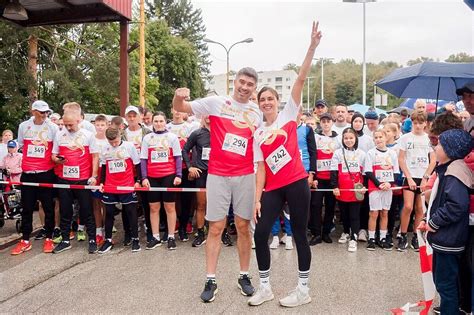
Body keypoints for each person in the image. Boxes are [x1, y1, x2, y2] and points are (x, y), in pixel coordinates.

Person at [173, 66, 263, 302]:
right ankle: (210, 279)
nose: (244, 87)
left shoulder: (256, 112)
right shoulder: (216, 103)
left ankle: (244, 275)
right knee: (215, 227)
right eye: (241, 82)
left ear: (254, 88)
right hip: (218, 175)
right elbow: (180, 108)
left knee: (243, 227)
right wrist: (179, 95)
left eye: (250, 84)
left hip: (245, 175)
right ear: (235, 82)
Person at [248, 22, 320, 308]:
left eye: (270, 98)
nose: (266, 102)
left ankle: (303, 289)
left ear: (278, 102)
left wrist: (311, 48)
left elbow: (301, 79)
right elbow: (261, 168)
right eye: (262, 99)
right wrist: (256, 199)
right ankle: (264, 286)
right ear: (258, 104)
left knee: (300, 233)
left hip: (297, 183)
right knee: (262, 231)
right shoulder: (257, 133)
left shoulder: (289, 114)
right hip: (273, 189)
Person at [418, 129, 473, 315]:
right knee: (444, 282)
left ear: (450, 149)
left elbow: (456, 205)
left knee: (445, 285)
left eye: (440, 144)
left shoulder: (454, 173)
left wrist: (433, 222)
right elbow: (438, 200)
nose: (436, 146)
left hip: (449, 239)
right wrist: (427, 219)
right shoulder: (448, 169)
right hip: (445, 237)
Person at [11, 100, 58, 255]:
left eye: (46, 112)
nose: (44, 115)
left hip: (46, 173)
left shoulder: (52, 127)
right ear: (33, 112)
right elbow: (21, 145)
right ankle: (25, 239)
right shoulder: (24, 126)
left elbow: (55, 149)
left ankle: (49, 238)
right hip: (28, 173)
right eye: (41, 112)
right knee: (27, 207)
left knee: (48, 206)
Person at [52, 112, 99, 254]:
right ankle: (65, 240)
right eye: (65, 124)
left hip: (83, 178)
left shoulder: (88, 134)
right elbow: (53, 155)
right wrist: (57, 159)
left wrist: (94, 175)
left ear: (78, 120)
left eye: (70, 124)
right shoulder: (60, 134)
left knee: (86, 210)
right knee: (65, 210)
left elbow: (95, 156)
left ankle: (92, 240)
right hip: (64, 178)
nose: (67, 127)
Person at [140, 111, 182, 250]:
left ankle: (170, 236)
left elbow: (177, 157)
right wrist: (144, 177)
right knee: (154, 207)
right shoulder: (147, 138)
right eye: (156, 121)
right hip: (152, 177)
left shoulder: (172, 137)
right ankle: (156, 236)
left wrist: (178, 175)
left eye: (161, 121)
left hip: (168, 176)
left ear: (165, 122)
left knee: (169, 207)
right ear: (152, 122)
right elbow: (143, 159)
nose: (158, 124)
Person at [397, 111, 436, 252]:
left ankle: (416, 236)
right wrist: (408, 176)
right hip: (410, 176)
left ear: (425, 123)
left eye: (420, 123)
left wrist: (426, 177)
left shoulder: (428, 139)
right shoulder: (406, 138)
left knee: (420, 208)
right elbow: (401, 159)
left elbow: (433, 160)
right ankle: (402, 235)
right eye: (415, 123)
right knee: (408, 207)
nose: (418, 126)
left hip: (423, 177)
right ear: (411, 123)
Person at [98, 127, 142, 253]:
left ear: (120, 136)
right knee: (109, 213)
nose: (114, 144)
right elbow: (104, 167)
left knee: (130, 212)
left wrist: (138, 181)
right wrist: (101, 182)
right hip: (110, 186)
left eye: (116, 141)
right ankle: (108, 240)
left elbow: (137, 164)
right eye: (111, 142)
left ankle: (135, 239)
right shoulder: (105, 149)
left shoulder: (129, 146)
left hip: (126, 185)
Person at [330, 127, 367, 252]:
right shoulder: (338, 153)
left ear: (355, 138)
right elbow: (334, 171)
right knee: (344, 214)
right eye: (346, 138)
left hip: (356, 190)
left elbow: (365, 173)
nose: (348, 140)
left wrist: (364, 187)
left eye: (351, 138)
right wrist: (334, 186)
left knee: (354, 215)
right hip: (342, 189)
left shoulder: (362, 154)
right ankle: (346, 232)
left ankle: (353, 238)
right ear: (342, 139)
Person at [364, 130, 399, 251]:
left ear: (386, 138)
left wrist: (389, 183)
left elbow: (395, 173)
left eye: (381, 137)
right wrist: (379, 184)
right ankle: (372, 238)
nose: (378, 139)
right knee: (374, 213)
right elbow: (368, 172)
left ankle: (383, 238)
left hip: (387, 188)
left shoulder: (392, 153)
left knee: (385, 212)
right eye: (376, 137)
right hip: (375, 187)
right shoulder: (370, 153)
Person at [123, 105, 152, 243]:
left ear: (139, 117)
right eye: (129, 116)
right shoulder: (122, 133)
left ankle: (150, 230)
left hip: (144, 169)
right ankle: (128, 232)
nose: (132, 118)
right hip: (126, 172)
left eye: (134, 115)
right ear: (126, 117)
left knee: (147, 202)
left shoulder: (147, 132)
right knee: (127, 203)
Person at [309, 112, 339, 245]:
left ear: (332, 123)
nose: (326, 124)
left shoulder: (338, 139)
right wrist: (313, 175)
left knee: (330, 206)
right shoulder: (316, 137)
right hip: (319, 178)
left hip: (331, 178)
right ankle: (316, 233)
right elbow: (313, 156)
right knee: (315, 205)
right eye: (323, 121)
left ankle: (326, 232)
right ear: (320, 123)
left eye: (328, 121)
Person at [167, 108, 196, 241]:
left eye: (179, 110)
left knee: (186, 198)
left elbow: (194, 148)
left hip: (186, 167)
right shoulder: (166, 127)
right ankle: (176, 221)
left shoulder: (189, 127)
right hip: (171, 168)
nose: (177, 112)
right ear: (171, 110)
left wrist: (191, 166)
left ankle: (185, 224)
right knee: (173, 198)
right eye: (175, 109)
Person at [182, 116, 211, 247]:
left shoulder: (221, 131)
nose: (209, 116)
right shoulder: (197, 133)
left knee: (220, 206)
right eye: (206, 113)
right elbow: (184, 150)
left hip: (218, 174)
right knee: (201, 205)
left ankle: (222, 234)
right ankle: (200, 234)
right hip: (202, 174)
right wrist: (190, 167)